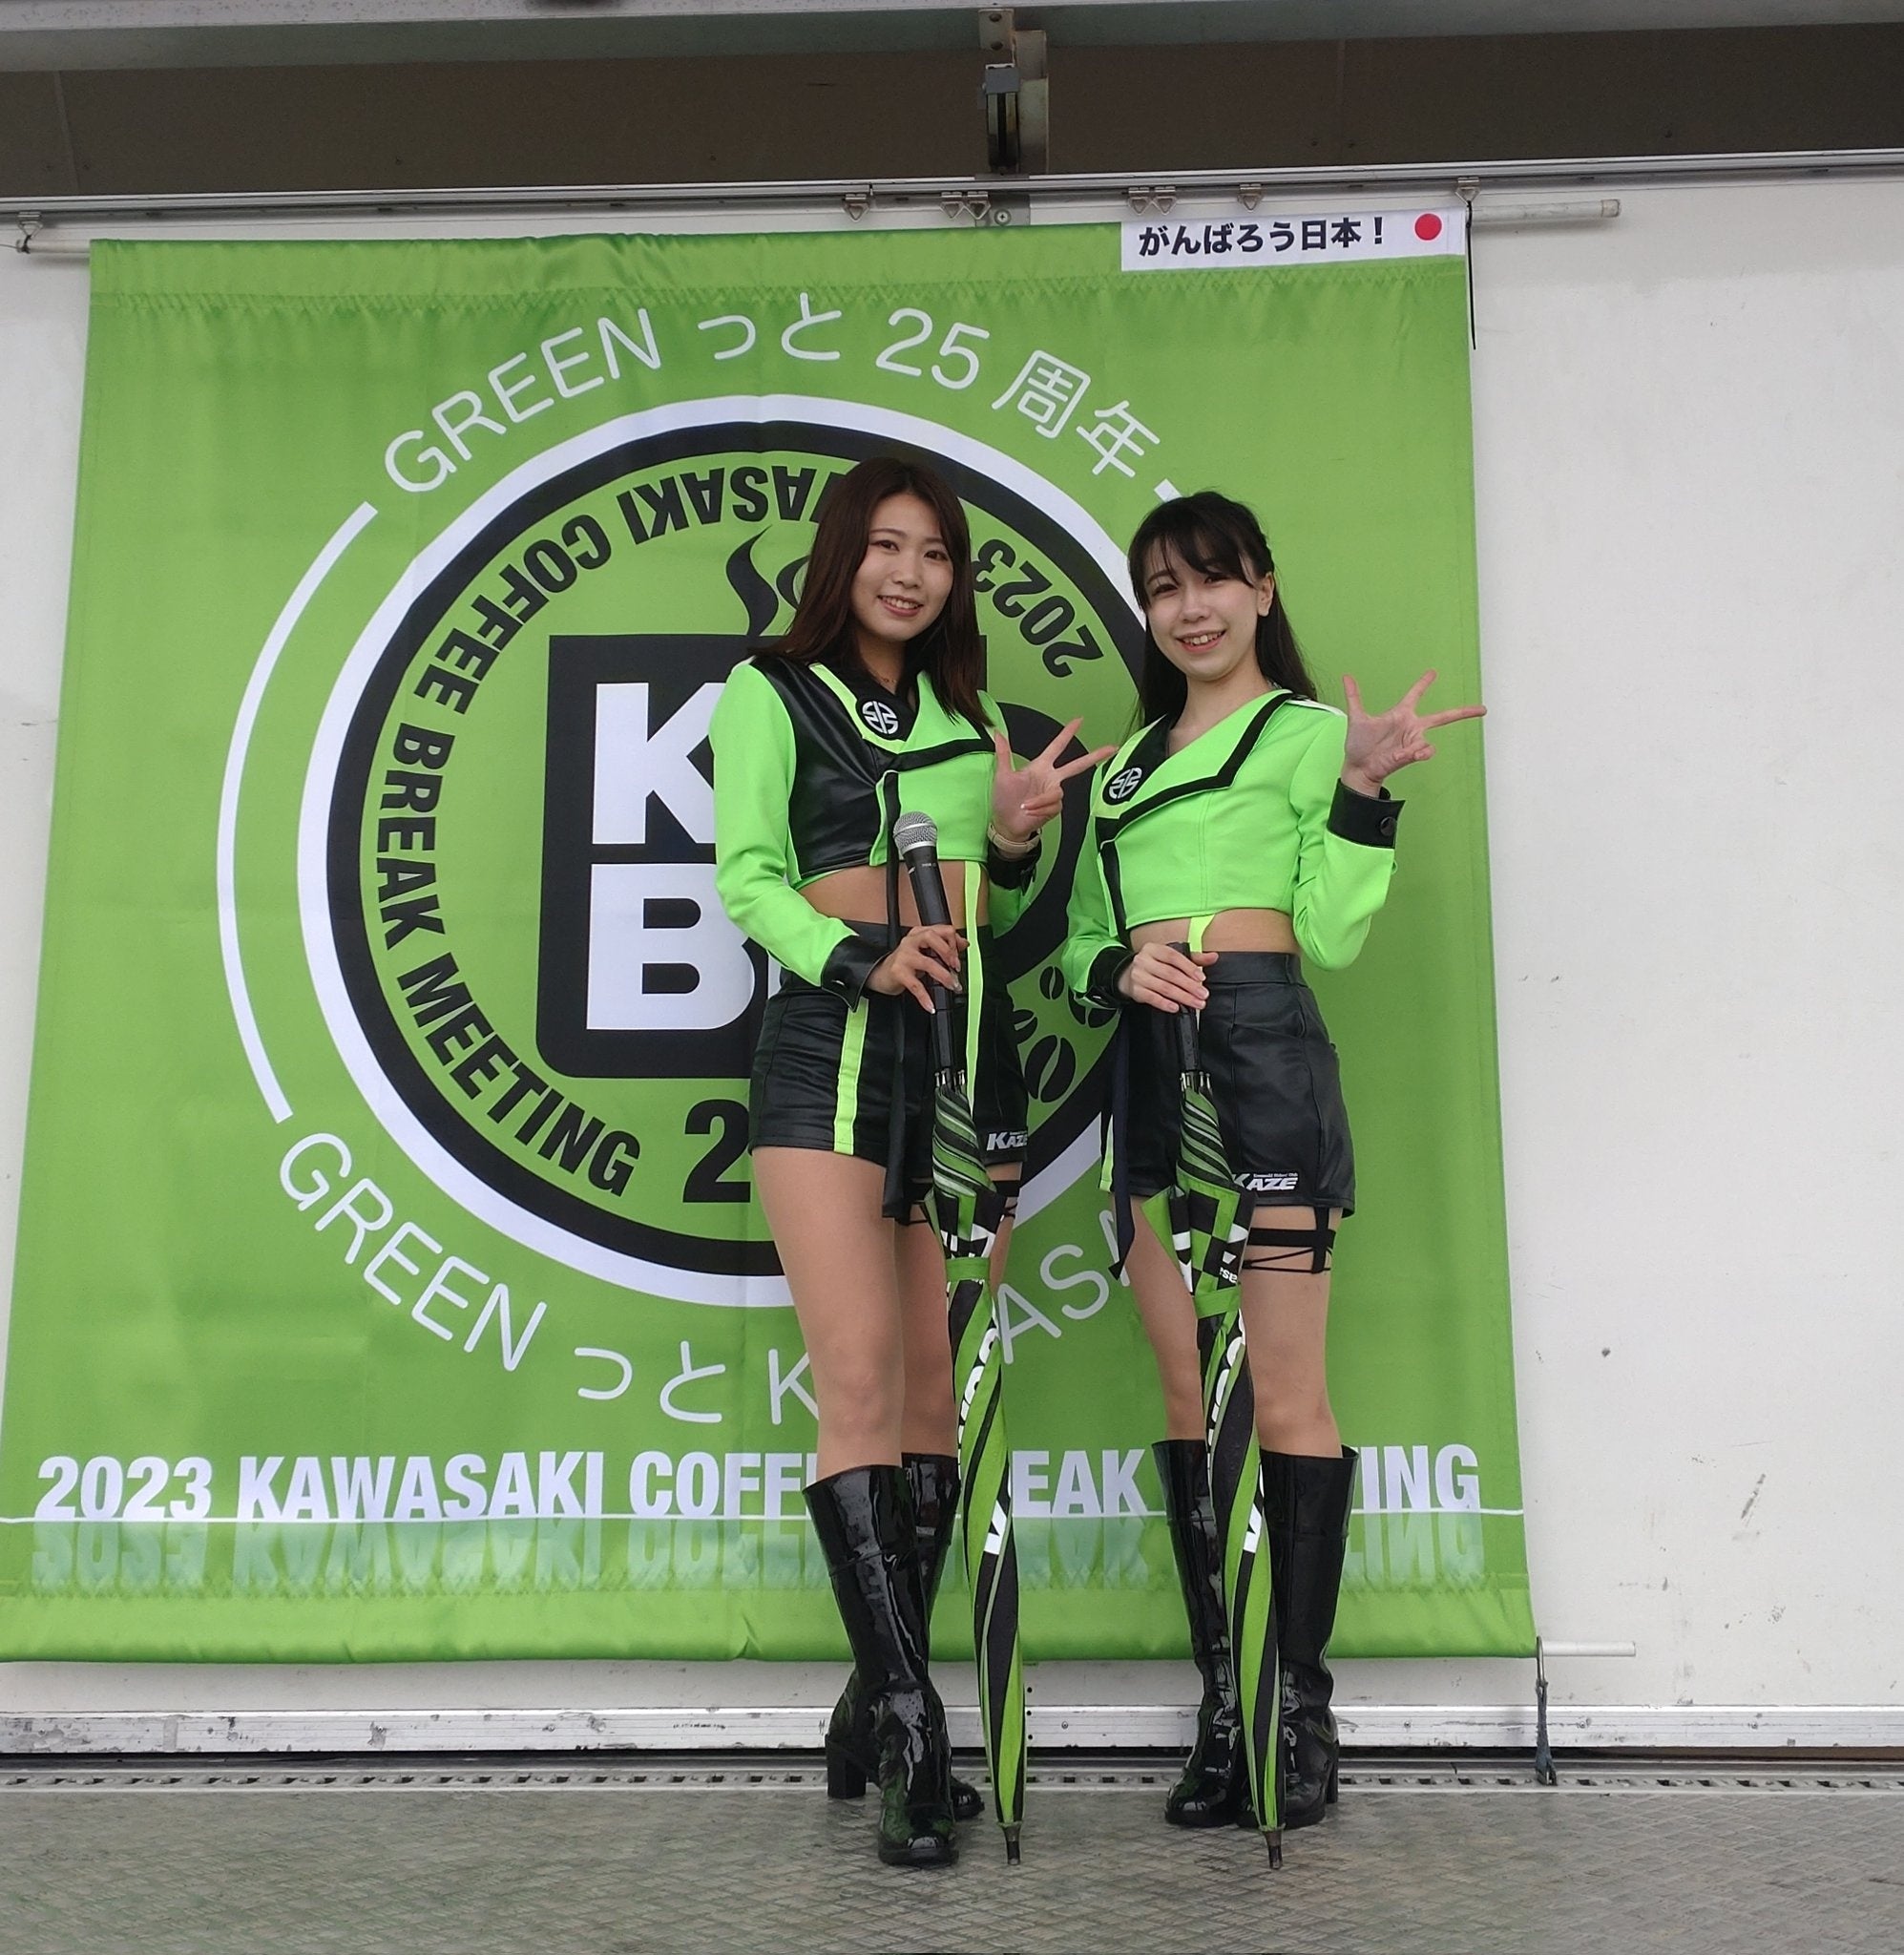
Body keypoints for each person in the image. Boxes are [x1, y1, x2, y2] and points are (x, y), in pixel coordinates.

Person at [1060, 491, 1483, 1834]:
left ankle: (1297, 1709)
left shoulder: (1307, 735)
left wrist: (1361, 789)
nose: (1189, 609)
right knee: (1190, 1392)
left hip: (1262, 1053)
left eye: (1212, 579)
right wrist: (1119, 968)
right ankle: (1225, 1705)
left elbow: (1334, 933)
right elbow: (1077, 941)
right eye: (1163, 588)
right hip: (1148, 1066)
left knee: (1284, 1388)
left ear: (1262, 587)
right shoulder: (1121, 771)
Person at [709, 454, 1110, 1866]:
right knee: (864, 1381)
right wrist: (856, 953)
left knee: (940, 1396)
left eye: (935, 554)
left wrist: (1010, 837)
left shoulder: (969, 717)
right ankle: (912, 1726)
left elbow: (990, 909)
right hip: (827, 1052)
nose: (910, 574)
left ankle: (871, 1696)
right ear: (844, 556)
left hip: (960, 1057)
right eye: (887, 546)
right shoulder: (771, 689)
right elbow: (747, 875)